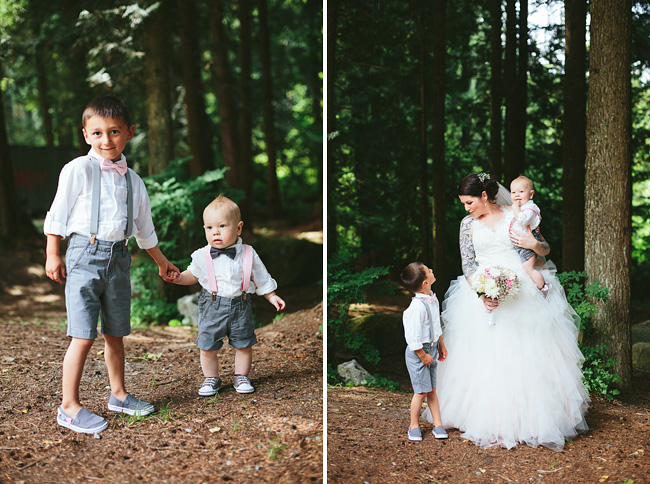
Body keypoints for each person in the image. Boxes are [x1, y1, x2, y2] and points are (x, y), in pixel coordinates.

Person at [44, 96, 180, 434]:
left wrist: (162, 263)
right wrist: (52, 253)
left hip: (119, 258)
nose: (107, 140)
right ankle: (69, 406)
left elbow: (144, 229)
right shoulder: (78, 169)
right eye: (98, 133)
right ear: (86, 134)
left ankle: (118, 394)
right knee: (82, 335)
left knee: (115, 333)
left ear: (130, 132)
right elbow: (58, 213)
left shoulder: (134, 180)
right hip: (83, 256)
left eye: (115, 131)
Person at [435, 173, 589, 451]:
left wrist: (533, 245)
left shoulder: (516, 215)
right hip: (484, 294)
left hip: (522, 292)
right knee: (486, 360)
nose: (466, 208)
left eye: (469, 202)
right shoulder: (467, 224)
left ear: (484, 196)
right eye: (463, 204)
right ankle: (488, 419)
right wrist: (483, 293)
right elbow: (468, 265)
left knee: (526, 357)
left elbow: (543, 249)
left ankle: (530, 421)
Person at [168, 195, 285, 396]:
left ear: (238, 228)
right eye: (209, 228)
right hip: (212, 306)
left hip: (241, 305)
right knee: (207, 345)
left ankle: (241, 376)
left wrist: (271, 295)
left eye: (222, 226)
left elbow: (261, 277)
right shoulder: (201, 255)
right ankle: (211, 379)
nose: (216, 232)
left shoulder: (248, 253)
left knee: (244, 344)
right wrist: (179, 278)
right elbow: (192, 275)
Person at [400, 262, 448, 441]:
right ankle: (413, 425)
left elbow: (436, 326)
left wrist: (441, 345)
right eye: (429, 271)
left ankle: (438, 424)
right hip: (418, 353)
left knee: (432, 390)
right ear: (425, 283)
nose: (432, 271)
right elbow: (412, 337)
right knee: (420, 392)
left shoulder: (432, 300)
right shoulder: (416, 308)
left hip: (432, 348)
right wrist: (422, 355)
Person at [510, 175, 550, 297]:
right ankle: (540, 264)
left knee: (528, 268)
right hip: (522, 246)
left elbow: (522, 221)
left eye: (521, 192)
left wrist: (515, 208)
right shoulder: (524, 208)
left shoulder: (529, 209)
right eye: (513, 192)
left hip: (527, 244)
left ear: (531, 194)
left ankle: (543, 287)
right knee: (530, 262)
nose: (517, 195)